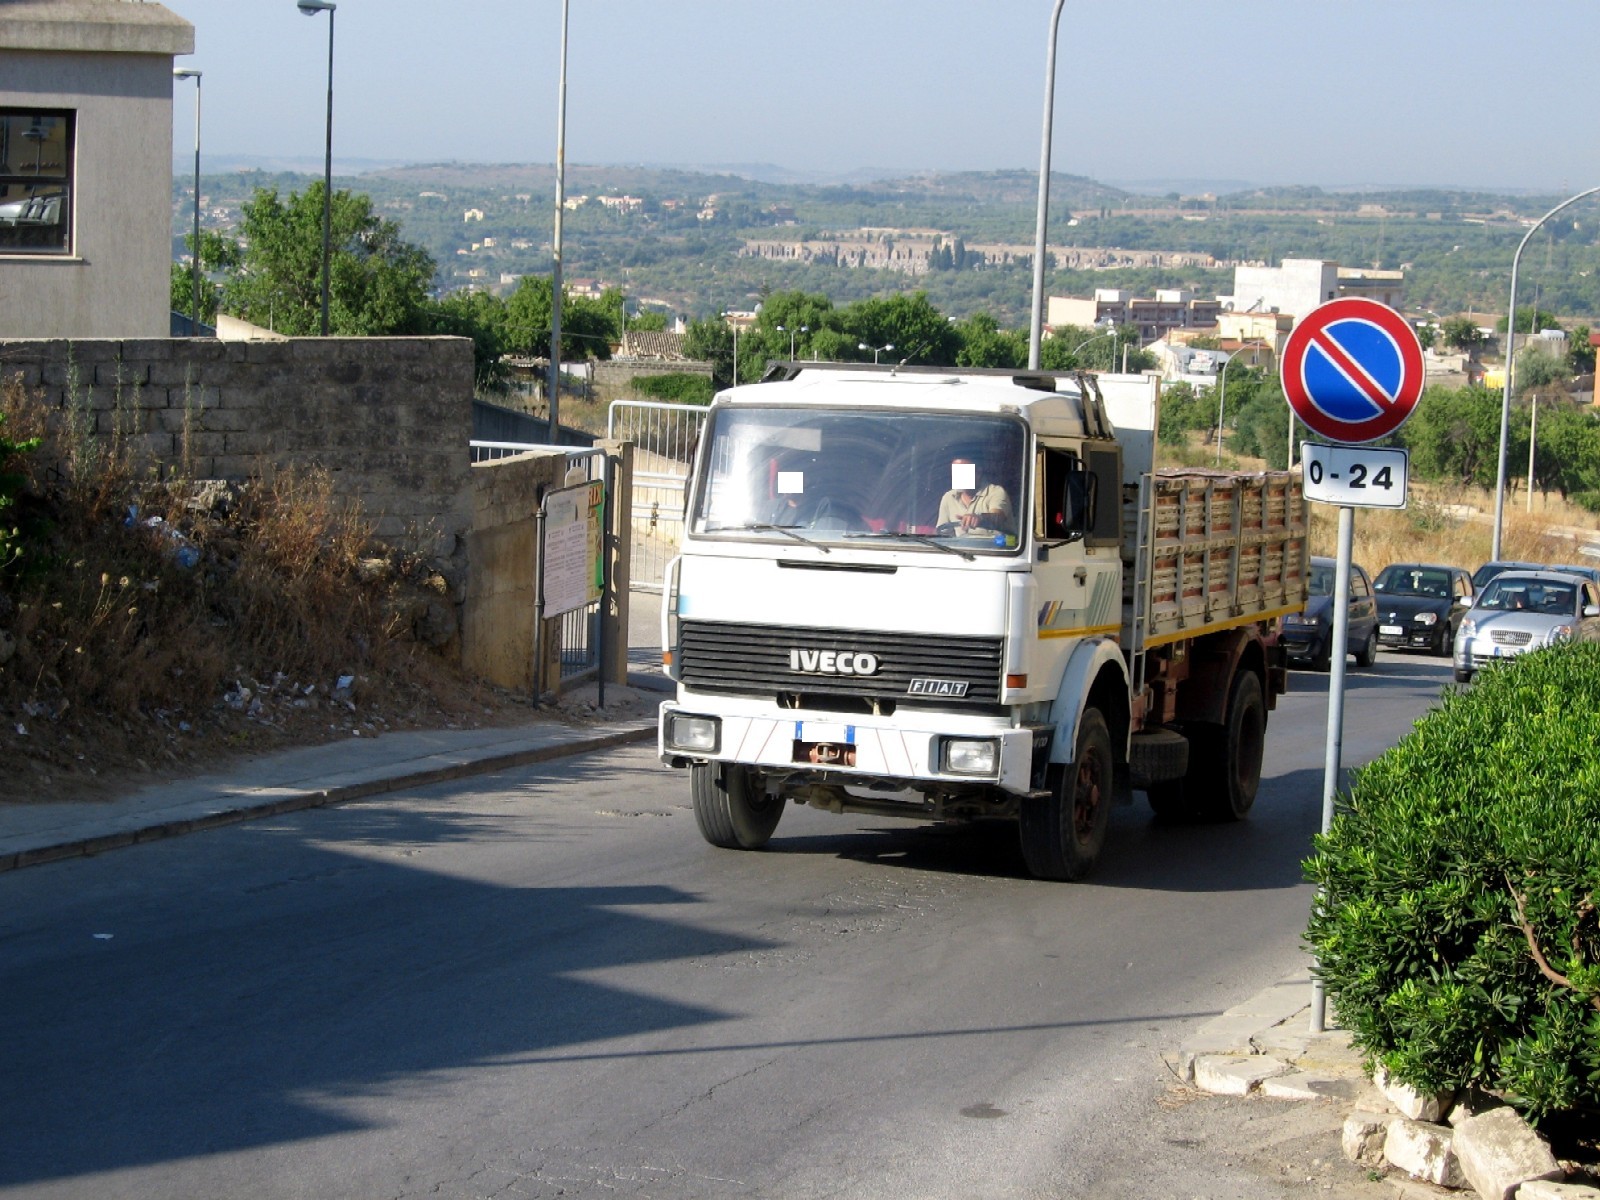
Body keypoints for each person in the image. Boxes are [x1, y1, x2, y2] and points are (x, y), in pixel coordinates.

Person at [936, 454, 1013, 537]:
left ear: (978, 472)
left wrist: (980, 518)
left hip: (994, 548)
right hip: (959, 548)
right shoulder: (948, 497)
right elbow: (943, 533)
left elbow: (998, 517)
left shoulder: (996, 492)